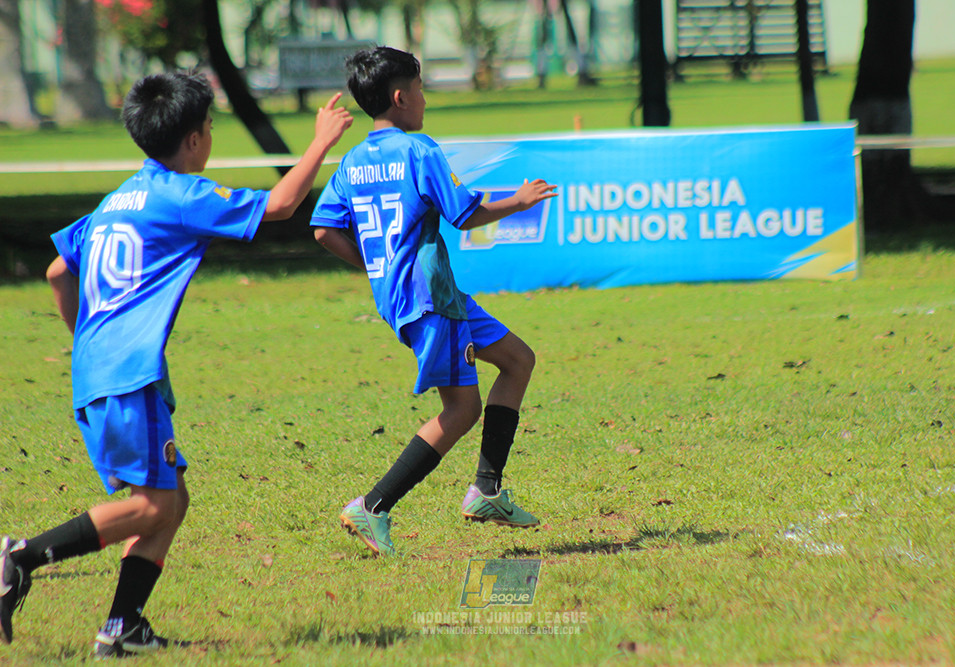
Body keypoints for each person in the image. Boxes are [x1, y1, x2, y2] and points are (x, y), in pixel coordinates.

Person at [0, 71, 352, 656]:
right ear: (192, 139)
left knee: (171, 500)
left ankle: (124, 626)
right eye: (210, 128)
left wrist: (90, 337)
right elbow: (283, 205)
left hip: (100, 368)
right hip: (128, 373)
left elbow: (58, 272)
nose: (211, 138)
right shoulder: (180, 196)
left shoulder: (120, 197)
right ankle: (20, 558)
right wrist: (321, 140)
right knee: (152, 504)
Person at [310, 46, 557, 557]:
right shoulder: (418, 151)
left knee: (517, 360)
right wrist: (519, 200)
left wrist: (375, 267)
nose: (424, 99)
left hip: (434, 295)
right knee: (461, 409)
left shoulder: (353, 161)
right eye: (420, 89)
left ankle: (487, 491)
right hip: (429, 299)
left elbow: (322, 230)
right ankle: (373, 506)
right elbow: (464, 214)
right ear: (401, 97)